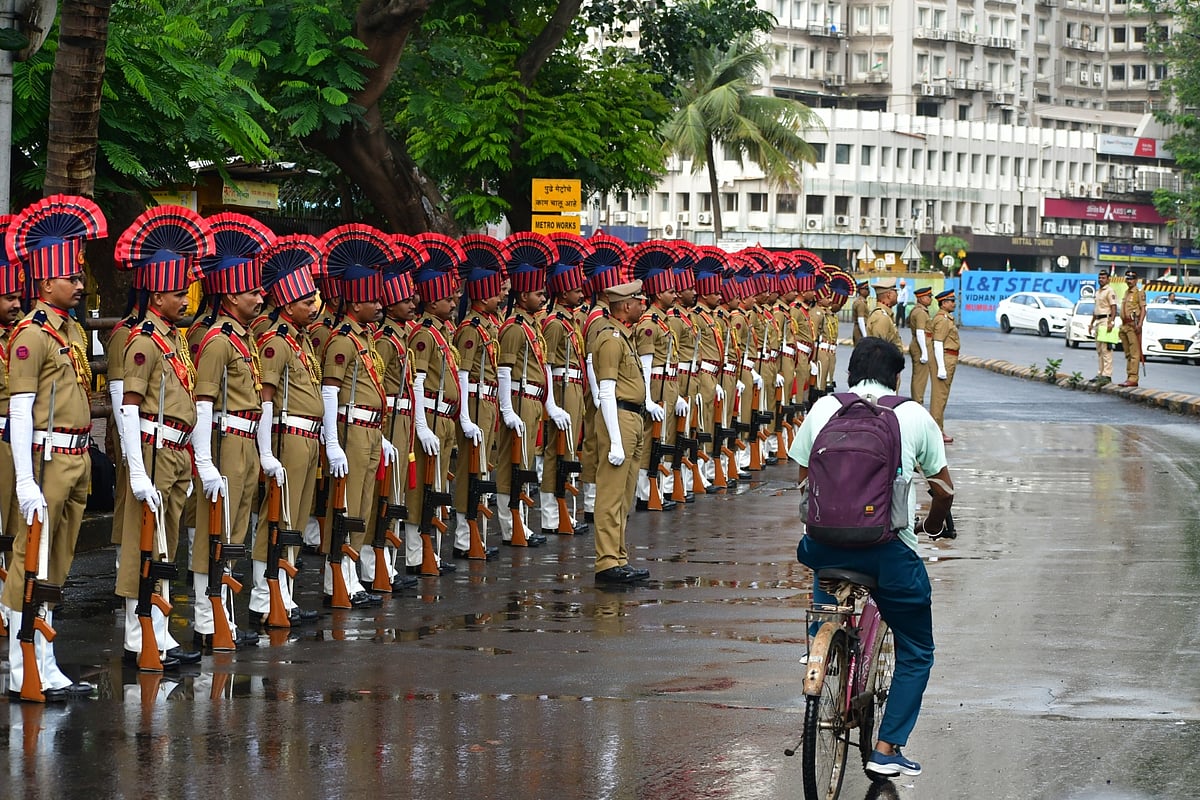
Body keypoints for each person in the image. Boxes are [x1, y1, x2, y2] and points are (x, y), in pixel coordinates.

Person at [788, 336, 955, 778]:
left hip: (823, 545)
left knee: (821, 561)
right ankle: (886, 749)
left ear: (850, 373)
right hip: (888, 551)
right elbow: (943, 488)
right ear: (897, 376)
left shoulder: (824, 408)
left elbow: (803, 476)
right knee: (917, 648)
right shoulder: (914, 415)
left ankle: (820, 637)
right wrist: (936, 522)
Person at [4, 194, 107, 700]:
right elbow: (20, 409)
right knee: (31, 557)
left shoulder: (70, 331)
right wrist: (24, 478)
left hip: (76, 456)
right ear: (46, 283)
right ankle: (21, 662)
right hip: (45, 456)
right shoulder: (31, 334)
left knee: (57, 561)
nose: (79, 283)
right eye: (71, 277)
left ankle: (44, 658)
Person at [110, 204, 209, 669]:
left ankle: (161, 632)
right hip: (151, 449)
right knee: (142, 543)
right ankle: (138, 635)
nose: (185, 299)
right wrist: (134, 470)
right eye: (177, 291)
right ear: (157, 295)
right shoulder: (146, 341)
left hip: (173, 451)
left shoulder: (174, 337)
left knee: (166, 543)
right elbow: (129, 406)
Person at [190, 213, 275, 649]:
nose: (261, 296)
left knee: (236, 534)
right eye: (252, 290)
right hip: (224, 444)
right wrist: (204, 461)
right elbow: (203, 404)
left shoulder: (244, 337)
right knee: (215, 532)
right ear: (229, 295)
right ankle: (207, 617)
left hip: (244, 444)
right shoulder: (219, 340)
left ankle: (223, 610)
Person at [318, 225, 397, 608]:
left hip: (368, 430)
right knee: (344, 508)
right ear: (355, 303)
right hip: (350, 431)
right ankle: (339, 580)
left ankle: (351, 578)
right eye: (373, 300)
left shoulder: (364, 337)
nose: (380, 305)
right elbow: (330, 393)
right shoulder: (342, 340)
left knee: (362, 508)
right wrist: (332, 442)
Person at [251, 234, 327, 622]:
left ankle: (286, 592)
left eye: (312, 299)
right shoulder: (276, 343)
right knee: (277, 516)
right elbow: (265, 397)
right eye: (304, 302)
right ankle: (266, 595)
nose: (313, 307)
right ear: (285, 305)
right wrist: (266, 452)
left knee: (296, 517)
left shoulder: (301, 340)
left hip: (308, 437)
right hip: (288, 436)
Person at [589, 279, 650, 584]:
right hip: (620, 418)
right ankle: (607, 562)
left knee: (625, 496)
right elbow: (606, 391)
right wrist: (614, 439)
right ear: (626, 306)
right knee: (611, 495)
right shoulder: (611, 339)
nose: (643, 305)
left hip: (632, 418)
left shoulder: (624, 337)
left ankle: (619, 556)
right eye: (640, 300)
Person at [928, 289, 959, 443]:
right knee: (939, 397)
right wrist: (941, 367)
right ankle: (936, 431)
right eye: (951, 301)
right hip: (944, 357)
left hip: (948, 357)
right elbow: (938, 343)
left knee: (942, 396)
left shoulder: (946, 318)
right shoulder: (942, 319)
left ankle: (938, 428)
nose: (954, 303)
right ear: (944, 303)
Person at [1088, 271, 1118, 386]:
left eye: (1103, 278)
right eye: (1099, 277)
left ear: (1108, 279)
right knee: (1099, 350)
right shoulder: (1098, 292)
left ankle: (1107, 375)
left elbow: (1113, 308)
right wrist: (1091, 323)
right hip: (1098, 321)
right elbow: (1096, 309)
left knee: (1106, 350)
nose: (1101, 279)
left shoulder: (1109, 291)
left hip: (1106, 321)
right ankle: (1100, 373)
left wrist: (1112, 321)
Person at [1118, 270, 1145, 388]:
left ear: (1136, 280)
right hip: (1124, 325)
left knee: (1135, 353)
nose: (1129, 281)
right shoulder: (1126, 293)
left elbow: (1143, 310)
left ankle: (1133, 378)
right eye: (1128, 278)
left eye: (1132, 278)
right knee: (1128, 353)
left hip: (1133, 325)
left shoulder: (1139, 293)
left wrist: (1139, 324)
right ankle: (1129, 376)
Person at [907, 285, 934, 404]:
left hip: (919, 343)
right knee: (920, 378)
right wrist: (924, 352)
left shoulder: (917, 310)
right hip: (921, 345)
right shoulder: (921, 313)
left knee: (918, 376)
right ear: (920, 298)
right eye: (928, 297)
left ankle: (917, 401)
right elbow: (920, 332)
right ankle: (917, 402)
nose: (930, 299)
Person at [866, 277, 903, 347]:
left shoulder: (885, 314)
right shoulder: (881, 317)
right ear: (889, 295)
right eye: (895, 291)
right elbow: (879, 350)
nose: (897, 294)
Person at [851, 280, 870, 344]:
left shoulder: (862, 301)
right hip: (860, 331)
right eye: (866, 289)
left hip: (861, 329)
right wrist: (865, 335)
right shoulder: (860, 303)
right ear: (861, 291)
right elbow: (860, 319)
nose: (868, 291)